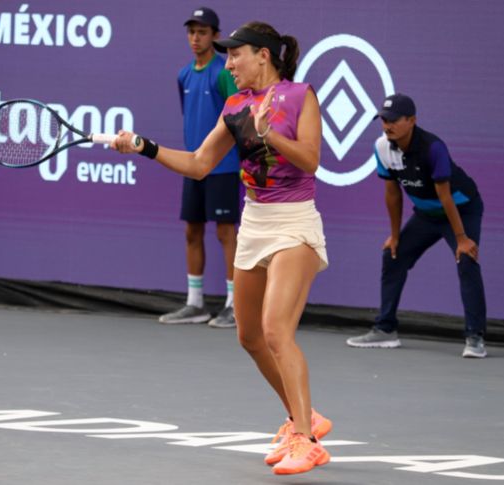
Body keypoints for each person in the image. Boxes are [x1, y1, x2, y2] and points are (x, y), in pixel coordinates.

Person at [112, 21, 333, 475]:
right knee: (249, 336)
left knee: (275, 330)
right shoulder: (235, 105)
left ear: (263, 57)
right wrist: (144, 147)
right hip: (254, 223)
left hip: (294, 223)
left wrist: (268, 134)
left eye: (235, 55)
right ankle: (302, 416)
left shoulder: (300, 96)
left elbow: (311, 160)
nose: (228, 63)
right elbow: (198, 165)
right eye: (226, 55)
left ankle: (308, 442)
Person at [346, 93, 488, 358]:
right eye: (383, 120)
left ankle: (475, 336)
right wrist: (394, 235)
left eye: (393, 120)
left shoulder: (433, 148)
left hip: (461, 209)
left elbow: (445, 196)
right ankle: (386, 329)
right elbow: (393, 192)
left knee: (466, 259)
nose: (387, 125)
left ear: (411, 121)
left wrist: (462, 238)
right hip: (425, 213)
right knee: (392, 255)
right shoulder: (382, 146)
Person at [158, 7, 240, 328]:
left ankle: (234, 305)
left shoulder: (224, 73)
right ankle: (196, 304)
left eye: (203, 32)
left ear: (216, 36)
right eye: (192, 32)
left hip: (223, 166)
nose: (196, 38)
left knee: (225, 232)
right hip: (193, 167)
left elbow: (235, 118)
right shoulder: (183, 75)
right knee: (192, 230)